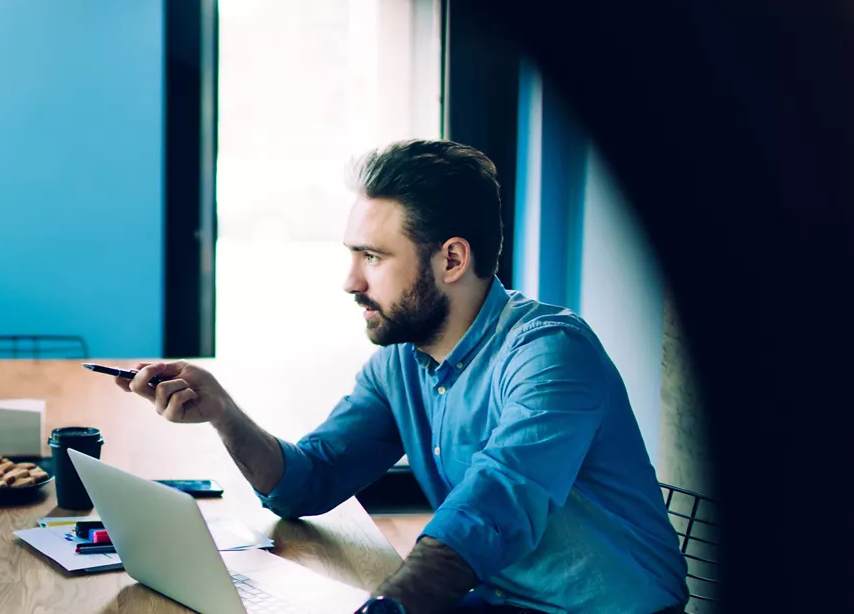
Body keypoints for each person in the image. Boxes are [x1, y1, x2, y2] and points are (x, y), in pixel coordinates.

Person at [116, 140, 688, 614]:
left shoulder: (549, 354)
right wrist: (222, 412)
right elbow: (309, 480)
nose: (350, 281)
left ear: (452, 260)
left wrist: (385, 607)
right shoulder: (402, 361)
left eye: (373, 257)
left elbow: (494, 508)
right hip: (497, 601)